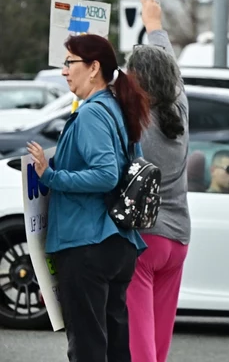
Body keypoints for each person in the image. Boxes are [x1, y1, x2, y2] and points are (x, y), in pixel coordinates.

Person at [27, 34, 150, 362]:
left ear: (93, 67)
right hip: (116, 242)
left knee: (88, 346)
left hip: (87, 243)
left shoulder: (94, 114)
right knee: (113, 344)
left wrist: (50, 176)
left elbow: (106, 174)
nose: (64, 70)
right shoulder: (116, 107)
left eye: (70, 63)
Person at [124, 0, 191, 362]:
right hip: (178, 239)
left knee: (139, 344)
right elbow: (168, 66)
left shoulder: (135, 121)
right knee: (159, 338)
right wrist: (154, 25)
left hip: (144, 241)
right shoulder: (178, 103)